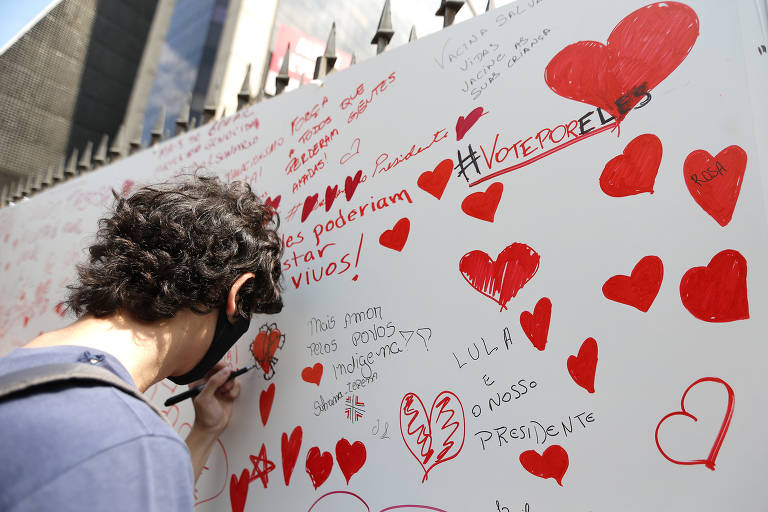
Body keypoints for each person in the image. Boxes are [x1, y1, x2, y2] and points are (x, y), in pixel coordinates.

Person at [0, 175, 283, 511]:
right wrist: (151, 453)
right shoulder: (129, 446)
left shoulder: (21, 371)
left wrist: (202, 433)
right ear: (235, 295)